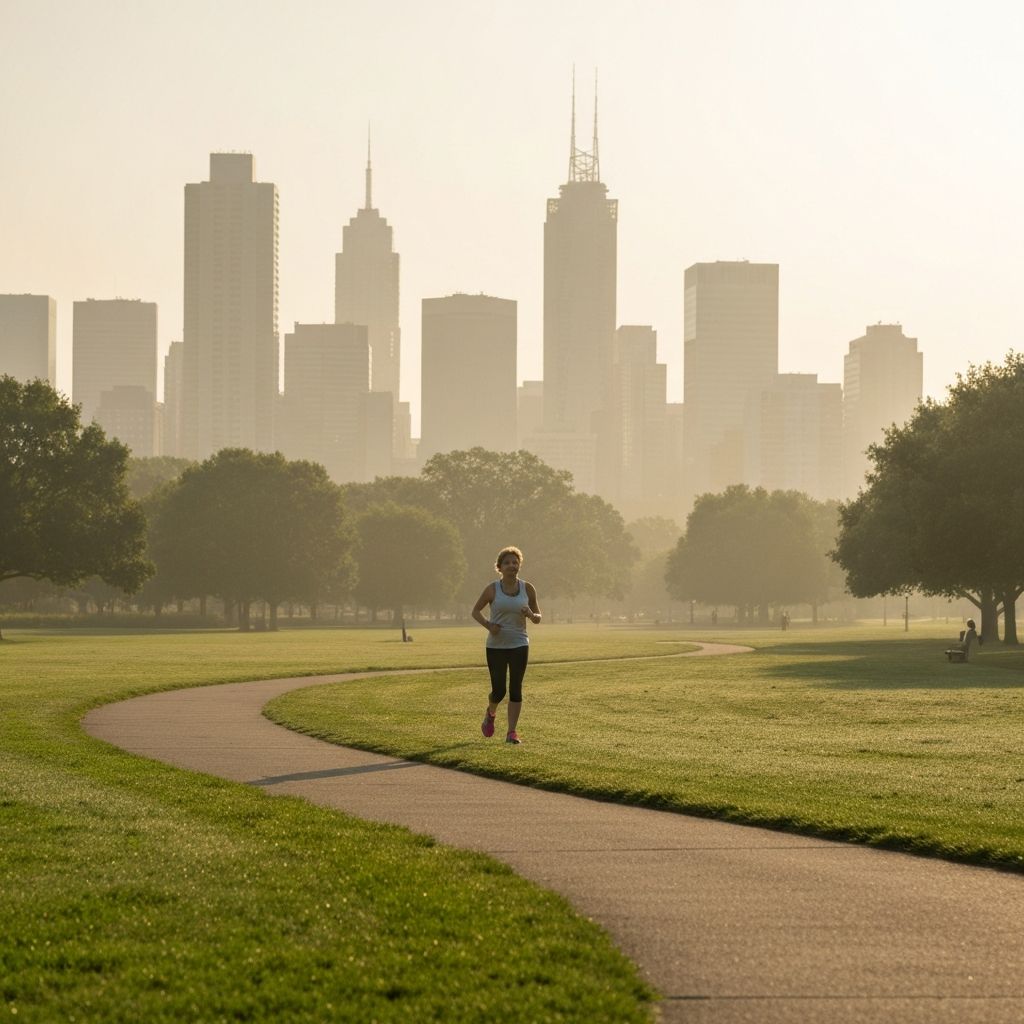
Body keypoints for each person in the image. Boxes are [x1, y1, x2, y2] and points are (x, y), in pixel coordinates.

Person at [471, 546, 541, 744]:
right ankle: (491, 712)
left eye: (515, 562)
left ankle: (511, 732)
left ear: (519, 565)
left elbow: (538, 617)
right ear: (499, 567)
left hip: (520, 643)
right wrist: (489, 625)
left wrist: (531, 614)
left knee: (516, 688)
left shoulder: (527, 588)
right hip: (496, 646)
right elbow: (475, 611)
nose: (512, 565)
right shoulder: (492, 589)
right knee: (499, 690)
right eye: (507, 563)